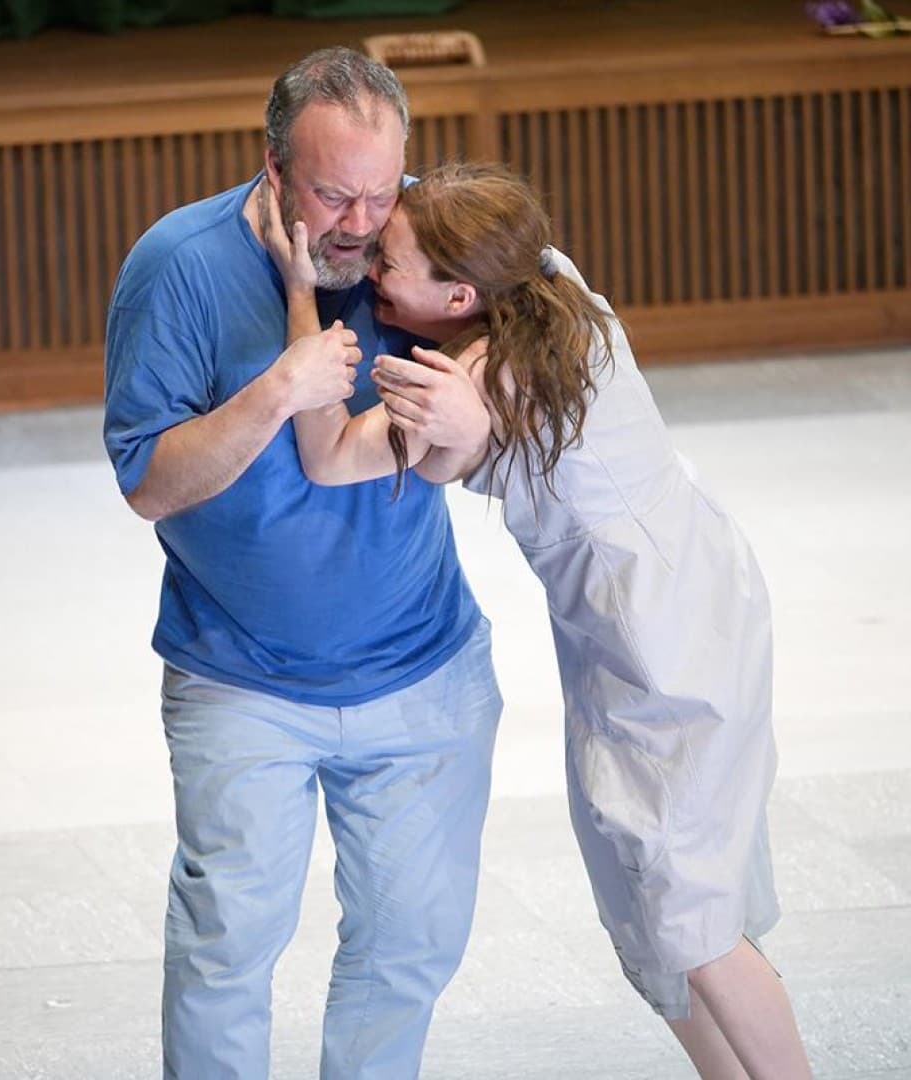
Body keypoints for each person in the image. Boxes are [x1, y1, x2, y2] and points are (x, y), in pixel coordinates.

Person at [264, 161, 813, 1080]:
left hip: (659, 644)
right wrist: (373, 180)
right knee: (645, 904)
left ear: (460, 293)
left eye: (388, 259)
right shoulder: (548, 278)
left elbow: (326, 458)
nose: (367, 268)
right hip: (682, 595)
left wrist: (298, 293)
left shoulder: (474, 382)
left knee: (687, 908)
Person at [102, 49, 502, 1080]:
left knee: (410, 943)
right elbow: (148, 483)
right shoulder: (179, 268)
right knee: (225, 949)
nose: (363, 223)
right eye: (334, 194)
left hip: (423, 668)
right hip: (241, 679)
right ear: (272, 170)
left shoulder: (422, 240)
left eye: (384, 190)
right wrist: (274, 392)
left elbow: (546, 303)